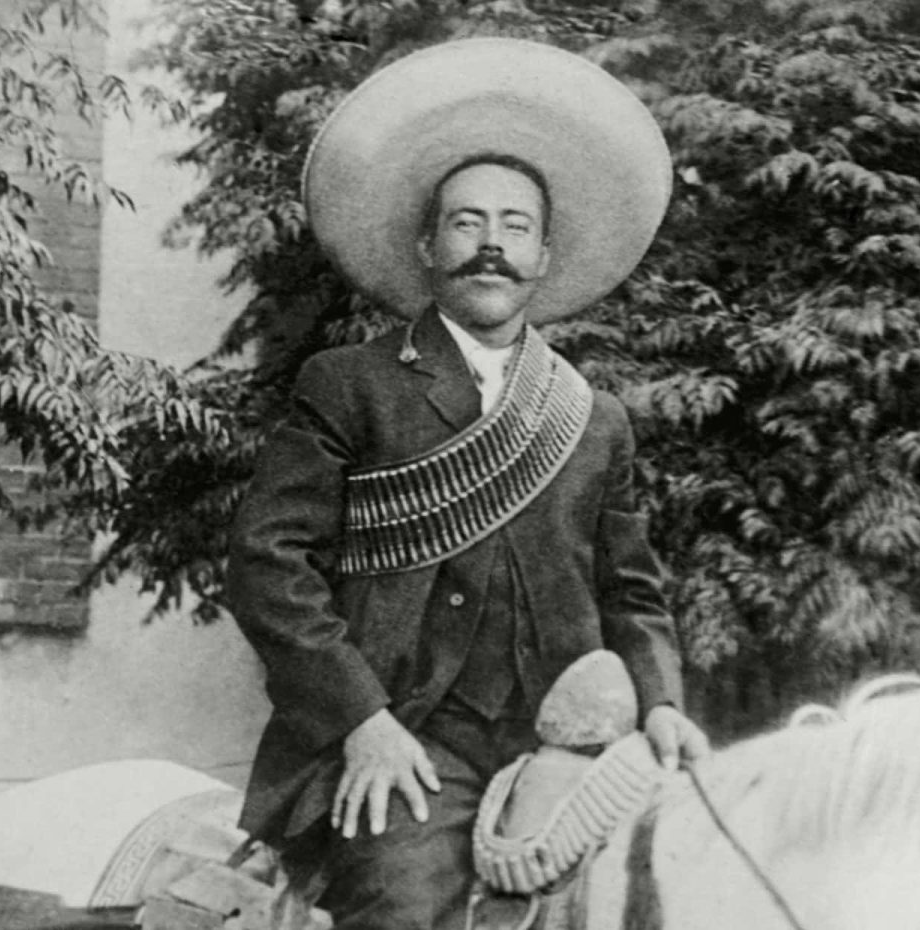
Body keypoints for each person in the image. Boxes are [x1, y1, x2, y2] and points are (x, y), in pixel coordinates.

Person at [226, 38, 709, 930]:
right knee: (405, 911)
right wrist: (360, 720)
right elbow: (268, 567)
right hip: (407, 740)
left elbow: (631, 593)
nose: (492, 246)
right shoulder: (351, 384)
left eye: (515, 227)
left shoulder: (592, 418)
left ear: (545, 254)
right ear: (426, 245)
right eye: (466, 223)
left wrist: (664, 703)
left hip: (566, 744)